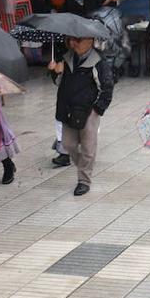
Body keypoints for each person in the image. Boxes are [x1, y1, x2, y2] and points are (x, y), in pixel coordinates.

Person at [49, 36, 114, 196]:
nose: (73, 43)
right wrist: (54, 71)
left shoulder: (98, 62)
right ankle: (85, 166)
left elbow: (107, 87)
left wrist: (97, 110)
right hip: (68, 108)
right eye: (71, 40)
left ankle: (84, 181)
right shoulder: (66, 58)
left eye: (78, 40)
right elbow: (59, 82)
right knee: (68, 144)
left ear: (90, 41)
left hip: (88, 110)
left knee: (88, 148)